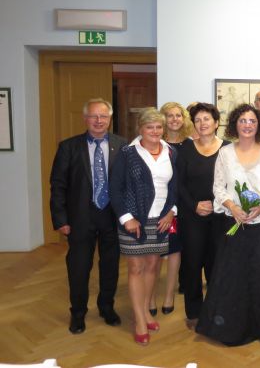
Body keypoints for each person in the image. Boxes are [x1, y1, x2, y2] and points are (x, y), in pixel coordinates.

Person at [196, 103, 260, 346]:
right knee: (234, 278)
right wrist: (233, 207)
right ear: (235, 125)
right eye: (242, 121)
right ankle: (231, 330)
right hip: (235, 224)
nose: (247, 125)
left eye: (252, 121)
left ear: (258, 125)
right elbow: (218, 187)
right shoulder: (225, 153)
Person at [50, 98, 126, 334]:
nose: (98, 120)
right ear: (85, 119)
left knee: (110, 266)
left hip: (111, 217)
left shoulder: (122, 145)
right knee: (79, 267)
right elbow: (58, 185)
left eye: (103, 116)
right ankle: (78, 313)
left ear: (110, 119)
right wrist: (61, 219)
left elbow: (127, 184)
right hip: (80, 218)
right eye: (93, 116)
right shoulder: (68, 147)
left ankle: (106, 307)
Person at [110, 108, 178, 345]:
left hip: (161, 219)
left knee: (152, 266)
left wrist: (171, 211)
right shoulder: (127, 153)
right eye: (150, 127)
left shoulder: (171, 152)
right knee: (136, 268)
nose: (155, 131)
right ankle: (139, 319)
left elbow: (175, 186)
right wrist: (126, 217)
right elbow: (115, 188)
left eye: (159, 127)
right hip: (135, 220)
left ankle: (147, 311)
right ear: (140, 128)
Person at [178, 103, 229, 328]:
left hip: (221, 216)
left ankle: (216, 310)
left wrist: (218, 204)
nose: (202, 123)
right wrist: (194, 205)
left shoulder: (228, 149)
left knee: (217, 265)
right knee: (192, 264)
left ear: (216, 123)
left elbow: (233, 183)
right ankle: (194, 312)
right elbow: (178, 184)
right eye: (197, 120)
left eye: (206, 119)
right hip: (192, 217)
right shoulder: (185, 149)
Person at [148, 102, 193, 316]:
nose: (174, 119)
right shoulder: (155, 143)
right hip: (161, 207)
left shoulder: (191, 145)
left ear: (184, 119)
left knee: (176, 250)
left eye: (178, 115)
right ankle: (150, 297)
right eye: (169, 115)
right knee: (156, 252)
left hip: (186, 207)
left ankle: (169, 296)